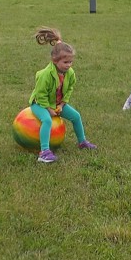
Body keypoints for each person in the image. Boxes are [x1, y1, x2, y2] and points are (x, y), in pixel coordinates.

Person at [29, 26, 97, 163]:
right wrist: (48, 109)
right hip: (39, 104)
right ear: (55, 61)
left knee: (76, 116)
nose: (69, 65)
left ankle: (82, 142)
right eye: (65, 62)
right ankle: (44, 152)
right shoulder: (45, 75)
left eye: (70, 62)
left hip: (57, 104)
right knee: (47, 120)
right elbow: (40, 94)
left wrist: (62, 103)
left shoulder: (70, 73)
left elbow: (70, 88)